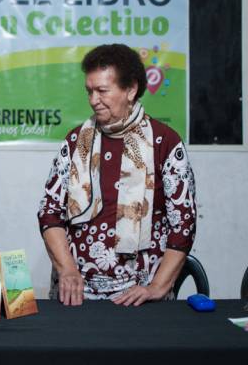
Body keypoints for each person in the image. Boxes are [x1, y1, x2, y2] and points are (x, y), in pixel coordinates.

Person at [38, 44, 196, 306]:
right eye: (89, 91)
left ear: (131, 89)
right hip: (77, 296)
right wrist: (67, 269)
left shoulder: (164, 142)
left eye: (102, 91)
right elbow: (49, 211)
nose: (93, 100)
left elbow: (183, 224)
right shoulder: (76, 141)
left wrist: (157, 287)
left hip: (139, 299)